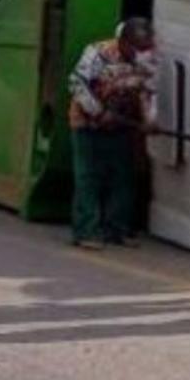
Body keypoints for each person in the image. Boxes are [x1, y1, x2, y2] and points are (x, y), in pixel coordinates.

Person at [67, 17, 157, 251]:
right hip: (88, 123)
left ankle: (116, 229)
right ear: (123, 42)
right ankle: (86, 230)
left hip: (121, 125)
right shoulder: (98, 53)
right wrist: (97, 111)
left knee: (123, 177)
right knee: (89, 177)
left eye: (145, 49)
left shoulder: (147, 58)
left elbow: (147, 91)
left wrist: (149, 121)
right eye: (137, 49)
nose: (141, 55)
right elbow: (76, 83)